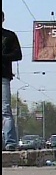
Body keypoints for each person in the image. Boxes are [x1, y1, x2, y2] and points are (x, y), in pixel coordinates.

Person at [2, 11, 22, 151]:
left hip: (3, 76)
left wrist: (3, 57)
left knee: (5, 110)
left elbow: (18, 54)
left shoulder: (9, 36)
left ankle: (10, 142)